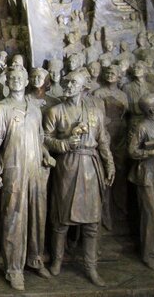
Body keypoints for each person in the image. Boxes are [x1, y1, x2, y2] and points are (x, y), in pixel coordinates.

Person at [44, 70, 115, 287]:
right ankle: (57, 261)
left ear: (84, 87)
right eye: (66, 82)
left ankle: (91, 267)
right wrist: (64, 144)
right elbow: (44, 139)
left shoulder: (95, 112)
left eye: (73, 82)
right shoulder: (55, 111)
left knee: (92, 221)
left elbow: (103, 141)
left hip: (91, 168)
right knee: (61, 218)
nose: (68, 85)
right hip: (67, 166)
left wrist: (109, 164)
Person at [0, 67, 54, 291]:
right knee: (13, 217)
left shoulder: (35, 109)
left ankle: (35, 259)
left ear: (27, 82)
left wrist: (46, 155)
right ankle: (13, 268)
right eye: (12, 78)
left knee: (37, 215)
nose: (16, 80)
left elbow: (40, 138)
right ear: (7, 82)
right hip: (13, 168)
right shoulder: (1, 108)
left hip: (35, 170)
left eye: (20, 78)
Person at [127, 93, 154, 270]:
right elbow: (132, 151)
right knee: (150, 215)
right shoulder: (142, 126)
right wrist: (149, 153)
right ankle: (148, 255)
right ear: (151, 110)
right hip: (146, 174)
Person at [93, 65, 130, 228]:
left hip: (120, 136)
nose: (110, 75)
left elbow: (125, 114)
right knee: (105, 173)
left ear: (119, 76)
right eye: (107, 72)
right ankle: (105, 215)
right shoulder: (98, 93)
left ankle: (120, 212)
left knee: (120, 173)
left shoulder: (123, 95)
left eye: (113, 73)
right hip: (105, 133)